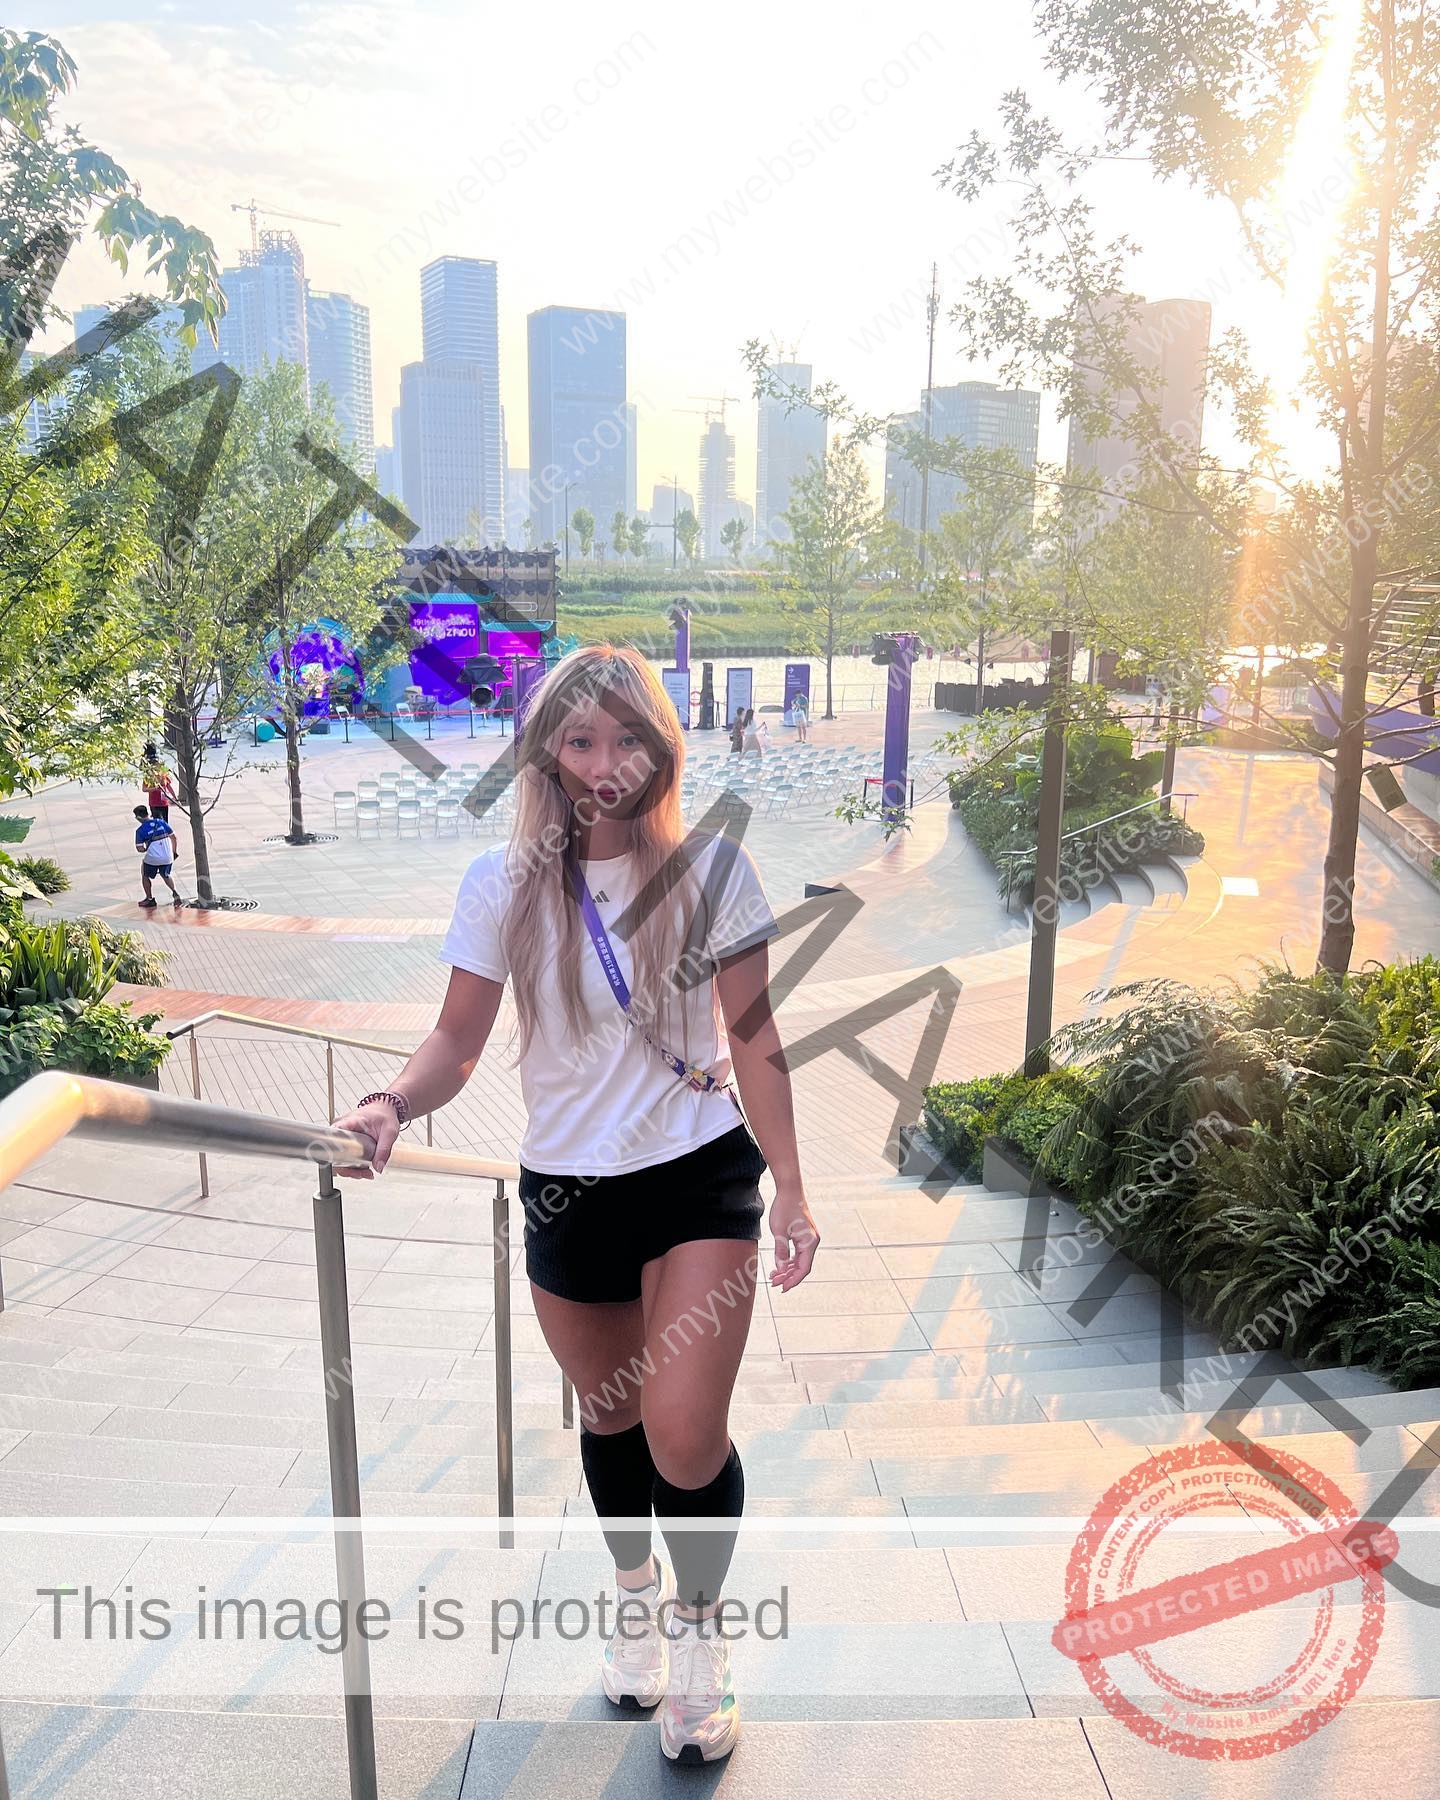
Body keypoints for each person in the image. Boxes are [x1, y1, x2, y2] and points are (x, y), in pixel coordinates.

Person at [334, 646, 819, 1766]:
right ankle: (637, 1596)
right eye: (581, 739)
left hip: (697, 1174)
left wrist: (793, 1185)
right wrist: (391, 1101)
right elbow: (456, 1041)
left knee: (684, 1437)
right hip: (565, 1189)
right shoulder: (499, 886)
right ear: (546, 750)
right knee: (610, 1419)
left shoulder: (712, 870)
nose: (607, 765)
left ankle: (701, 1638)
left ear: (662, 744)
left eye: (629, 738)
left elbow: (754, 1038)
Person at [133, 805, 181, 907]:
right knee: (166, 875)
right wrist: (174, 852)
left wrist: (147, 848)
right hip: (168, 857)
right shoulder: (161, 822)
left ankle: (149, 899)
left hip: (153, 859)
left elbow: (139, 849)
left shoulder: (140, 831)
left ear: (138, 818)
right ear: (148, 813)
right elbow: (174, 837)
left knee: (145, 874)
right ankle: (175, 892)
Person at [140, 742, 176, 822]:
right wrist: (156, 788)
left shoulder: (163, 773)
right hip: (154, 803)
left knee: (165, 823)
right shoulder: (149, 774)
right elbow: (144, 789)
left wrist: (174, 798)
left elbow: (168, 785)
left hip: (164, 802)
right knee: (159, 823)